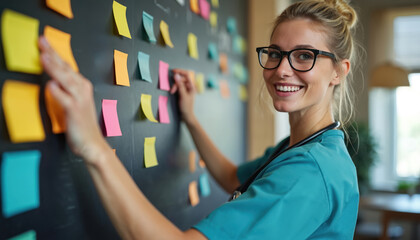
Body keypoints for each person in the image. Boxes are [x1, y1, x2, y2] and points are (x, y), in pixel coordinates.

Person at [38, 0, 360, 239]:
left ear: (338, 71)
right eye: (275, 53)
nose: (282, 69)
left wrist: (94, 145)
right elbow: (234, 177)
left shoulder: (310, 172)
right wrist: (190, 119)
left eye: (304, 55)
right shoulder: (306, 148)